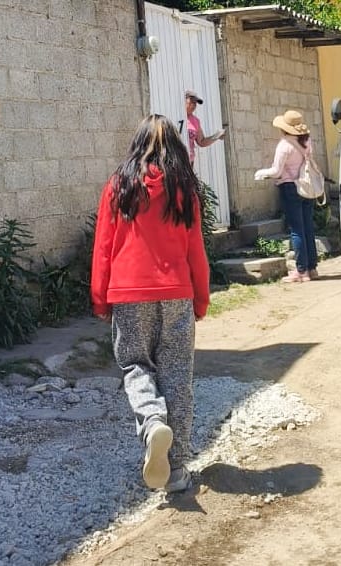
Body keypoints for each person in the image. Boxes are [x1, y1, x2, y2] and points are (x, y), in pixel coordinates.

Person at [91, 114, 210, 493]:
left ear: (136, 145)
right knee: (177, 376)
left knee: (135, 365)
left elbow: (104, 247)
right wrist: (201, 298)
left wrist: (100, 297)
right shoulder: (184, 191)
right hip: (177, 293)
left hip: (129, 294)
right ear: (176, 148)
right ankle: (175, 471)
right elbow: (196, 250)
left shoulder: (118, 186)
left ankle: (152, 420)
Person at [254, 110, 319, 283]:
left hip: (290, 187)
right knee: (308, 227)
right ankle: (312, 268)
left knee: (297, 230)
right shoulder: (306, 141)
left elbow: (276, 171)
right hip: (306, 186)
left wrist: (261, 173)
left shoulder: (284, 145)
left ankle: (301, 271)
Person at [185, 89, 224, 167]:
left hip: (189, 162)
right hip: (176, 161)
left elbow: (201, 141)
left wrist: (216, 136)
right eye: (192, 102)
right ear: (184, 100)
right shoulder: (175, 116)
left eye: (195, 103)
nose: (194, 105)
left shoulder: (195, 121)